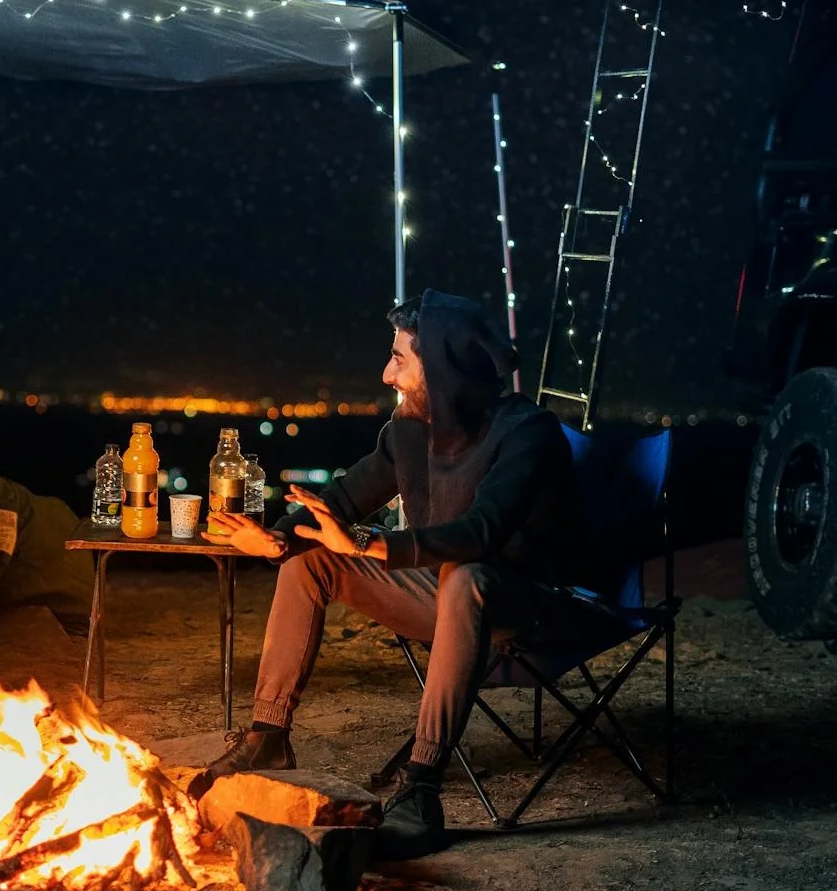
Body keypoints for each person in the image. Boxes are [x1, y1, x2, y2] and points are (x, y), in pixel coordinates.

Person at [193, 289, 580, 859]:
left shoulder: (527, 432)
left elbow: (483, 531)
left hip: (533, 606)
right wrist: (276, 540)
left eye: (399, 359)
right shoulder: (409, 431)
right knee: (312, 557)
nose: (386, 374)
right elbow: (342, 499)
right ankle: (268, 735)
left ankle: (421, 785)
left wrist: (370, 544)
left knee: (466, 577)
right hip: (443, 596)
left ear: (442, 369)